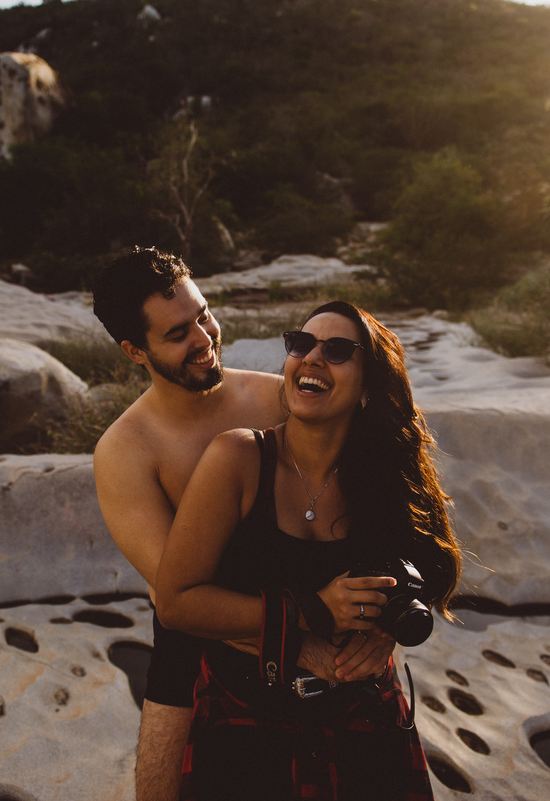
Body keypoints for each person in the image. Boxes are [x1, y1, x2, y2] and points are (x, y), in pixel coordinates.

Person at [92, 249, 397, 801]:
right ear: (135, 351)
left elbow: (376, 511)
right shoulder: (125, 452)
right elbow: (179, 596)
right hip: (196, 649)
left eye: (203, 315)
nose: (204, 338)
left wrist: (385, 625)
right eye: (178, 334)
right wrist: (300, 643)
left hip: (324, 624)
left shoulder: (278, 398)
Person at [155, 300, 462, 801]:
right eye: (301, 344)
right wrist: (312, 609)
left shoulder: (384, 472)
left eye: (337, 350)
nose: (312, 357)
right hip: (245, 728)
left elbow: (437, 567)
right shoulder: (238, 457)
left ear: (368, 386)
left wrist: (387, 630)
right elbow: (176, 603)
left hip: (365, 724)